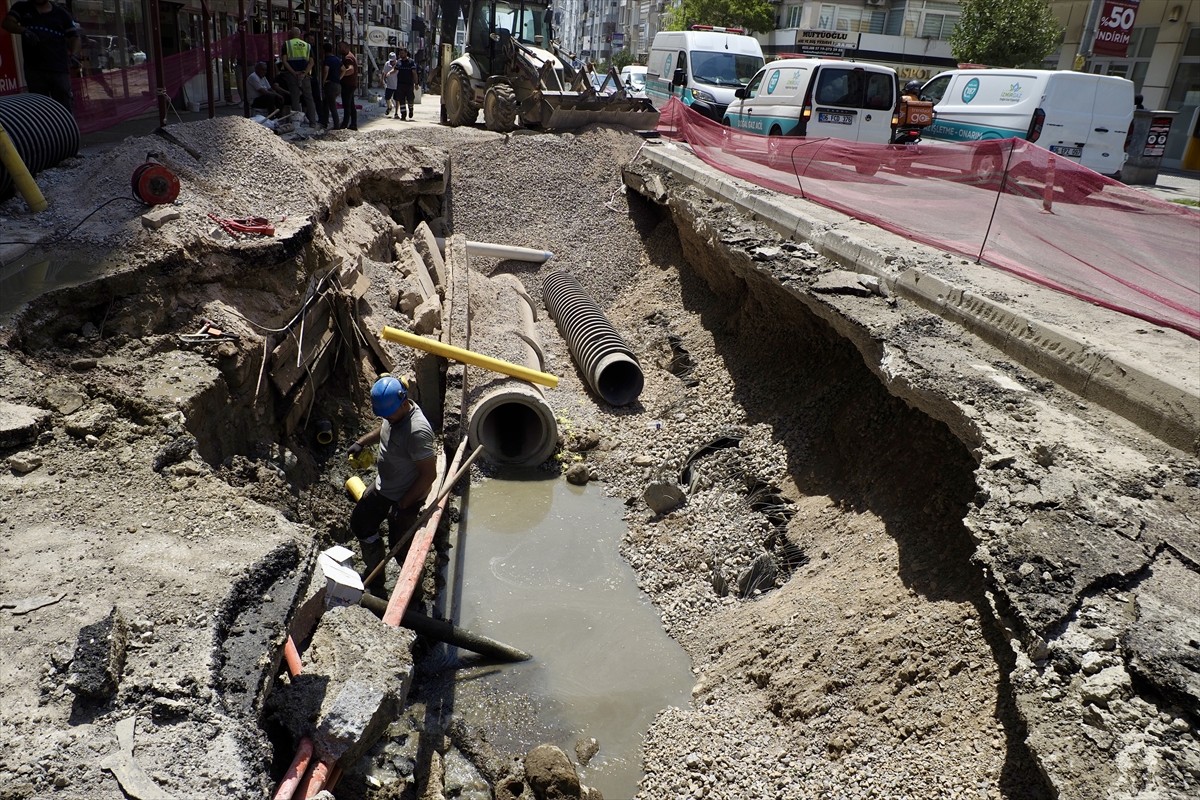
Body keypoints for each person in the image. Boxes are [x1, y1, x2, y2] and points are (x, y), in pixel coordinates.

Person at [347, 376, 437, 597]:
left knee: (402, 550)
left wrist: (402, 505)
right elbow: (385, 427)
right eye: (383, 415)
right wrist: (363, 442)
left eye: (388, 414)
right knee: (361, 523)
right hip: (384, 487)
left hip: (405, 497)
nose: (386, 418)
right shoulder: (394, 414)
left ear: (403, 403)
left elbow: (429, 475)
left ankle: (414, 595)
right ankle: (376, 578)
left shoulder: (417, 432)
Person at [2, 0, 80, 112]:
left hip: (59, 69)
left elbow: (75, 37)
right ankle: (45, 128)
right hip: (34, 69)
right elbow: (7, 23)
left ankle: (65, 127)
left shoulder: (61, 14)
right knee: (39, 107)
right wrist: (24, 31)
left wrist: (73, 54)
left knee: (64, 105)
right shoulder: (22, 7)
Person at [279, 26, 318, 125]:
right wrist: (304, 73)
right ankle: (313, 122)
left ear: (291, 34)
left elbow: (284, 61)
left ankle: (297, 123)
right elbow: (311, 62)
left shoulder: (287, 44)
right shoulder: (307, 46)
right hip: (304, 76)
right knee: (309, 98)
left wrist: (293, 72)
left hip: (292, 75)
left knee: (295, 99)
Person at [337, 41, 359, 130]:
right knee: (351, 105)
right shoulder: (349, 56)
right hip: (351, 84)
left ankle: (345, 124)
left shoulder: (348, 58)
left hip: (348, 85)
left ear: (346, 48)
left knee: (347, 105)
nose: (339, 49)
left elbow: (351, 70)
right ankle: (353, 124)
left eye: (341, 47)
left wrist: (339, 76)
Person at [320, 40, 341, 129]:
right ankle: (325, 122)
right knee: (326, 103)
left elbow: (326, 70)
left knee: (332, 106)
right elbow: (344, 69)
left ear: (324, 51)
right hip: (337, 85)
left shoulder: (327, 60)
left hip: (330, 85)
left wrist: (323, 81)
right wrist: (339, 77)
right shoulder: (337, 59)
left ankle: (336, 125)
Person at [393, 47, 417, 120]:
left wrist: (416, 83)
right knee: (401, 100)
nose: (401, 55)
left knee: (410, 99)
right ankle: (403, 115)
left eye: (402, 53)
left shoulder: (411, 62)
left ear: (406, 53)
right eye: (400, 53)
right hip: (400, 84)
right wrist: (388, 73)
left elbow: (414, 73)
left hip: (409, 84)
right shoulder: (398, 62)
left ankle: (411, 109)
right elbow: (394, 70)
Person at [382, 51, 398, 117]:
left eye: (393, 61)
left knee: (397, 100)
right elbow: (384, 72)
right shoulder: (387, 64)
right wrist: (382, 80)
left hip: (397, 85)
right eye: (391, 61)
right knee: (387, 97)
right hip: (389, 84)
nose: (392, 62)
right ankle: (389, 107)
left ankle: (396, 113)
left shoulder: (398, 64)